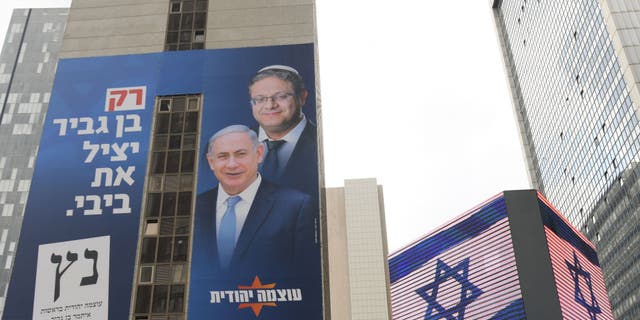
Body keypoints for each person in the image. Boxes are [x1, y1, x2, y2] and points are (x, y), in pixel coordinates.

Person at [191, 125, 316, 276]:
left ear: (259, 154)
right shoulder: (194, 208)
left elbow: (305, 273)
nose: (232, 164)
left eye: (240, 154)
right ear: (211, 162)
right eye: (223, 156)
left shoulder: (296, 206)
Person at [248, 65, 318, 197]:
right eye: (260, 99)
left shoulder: (324, 144)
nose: (270, 105)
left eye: (281, 96)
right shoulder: (231, 143)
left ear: (302, 97)